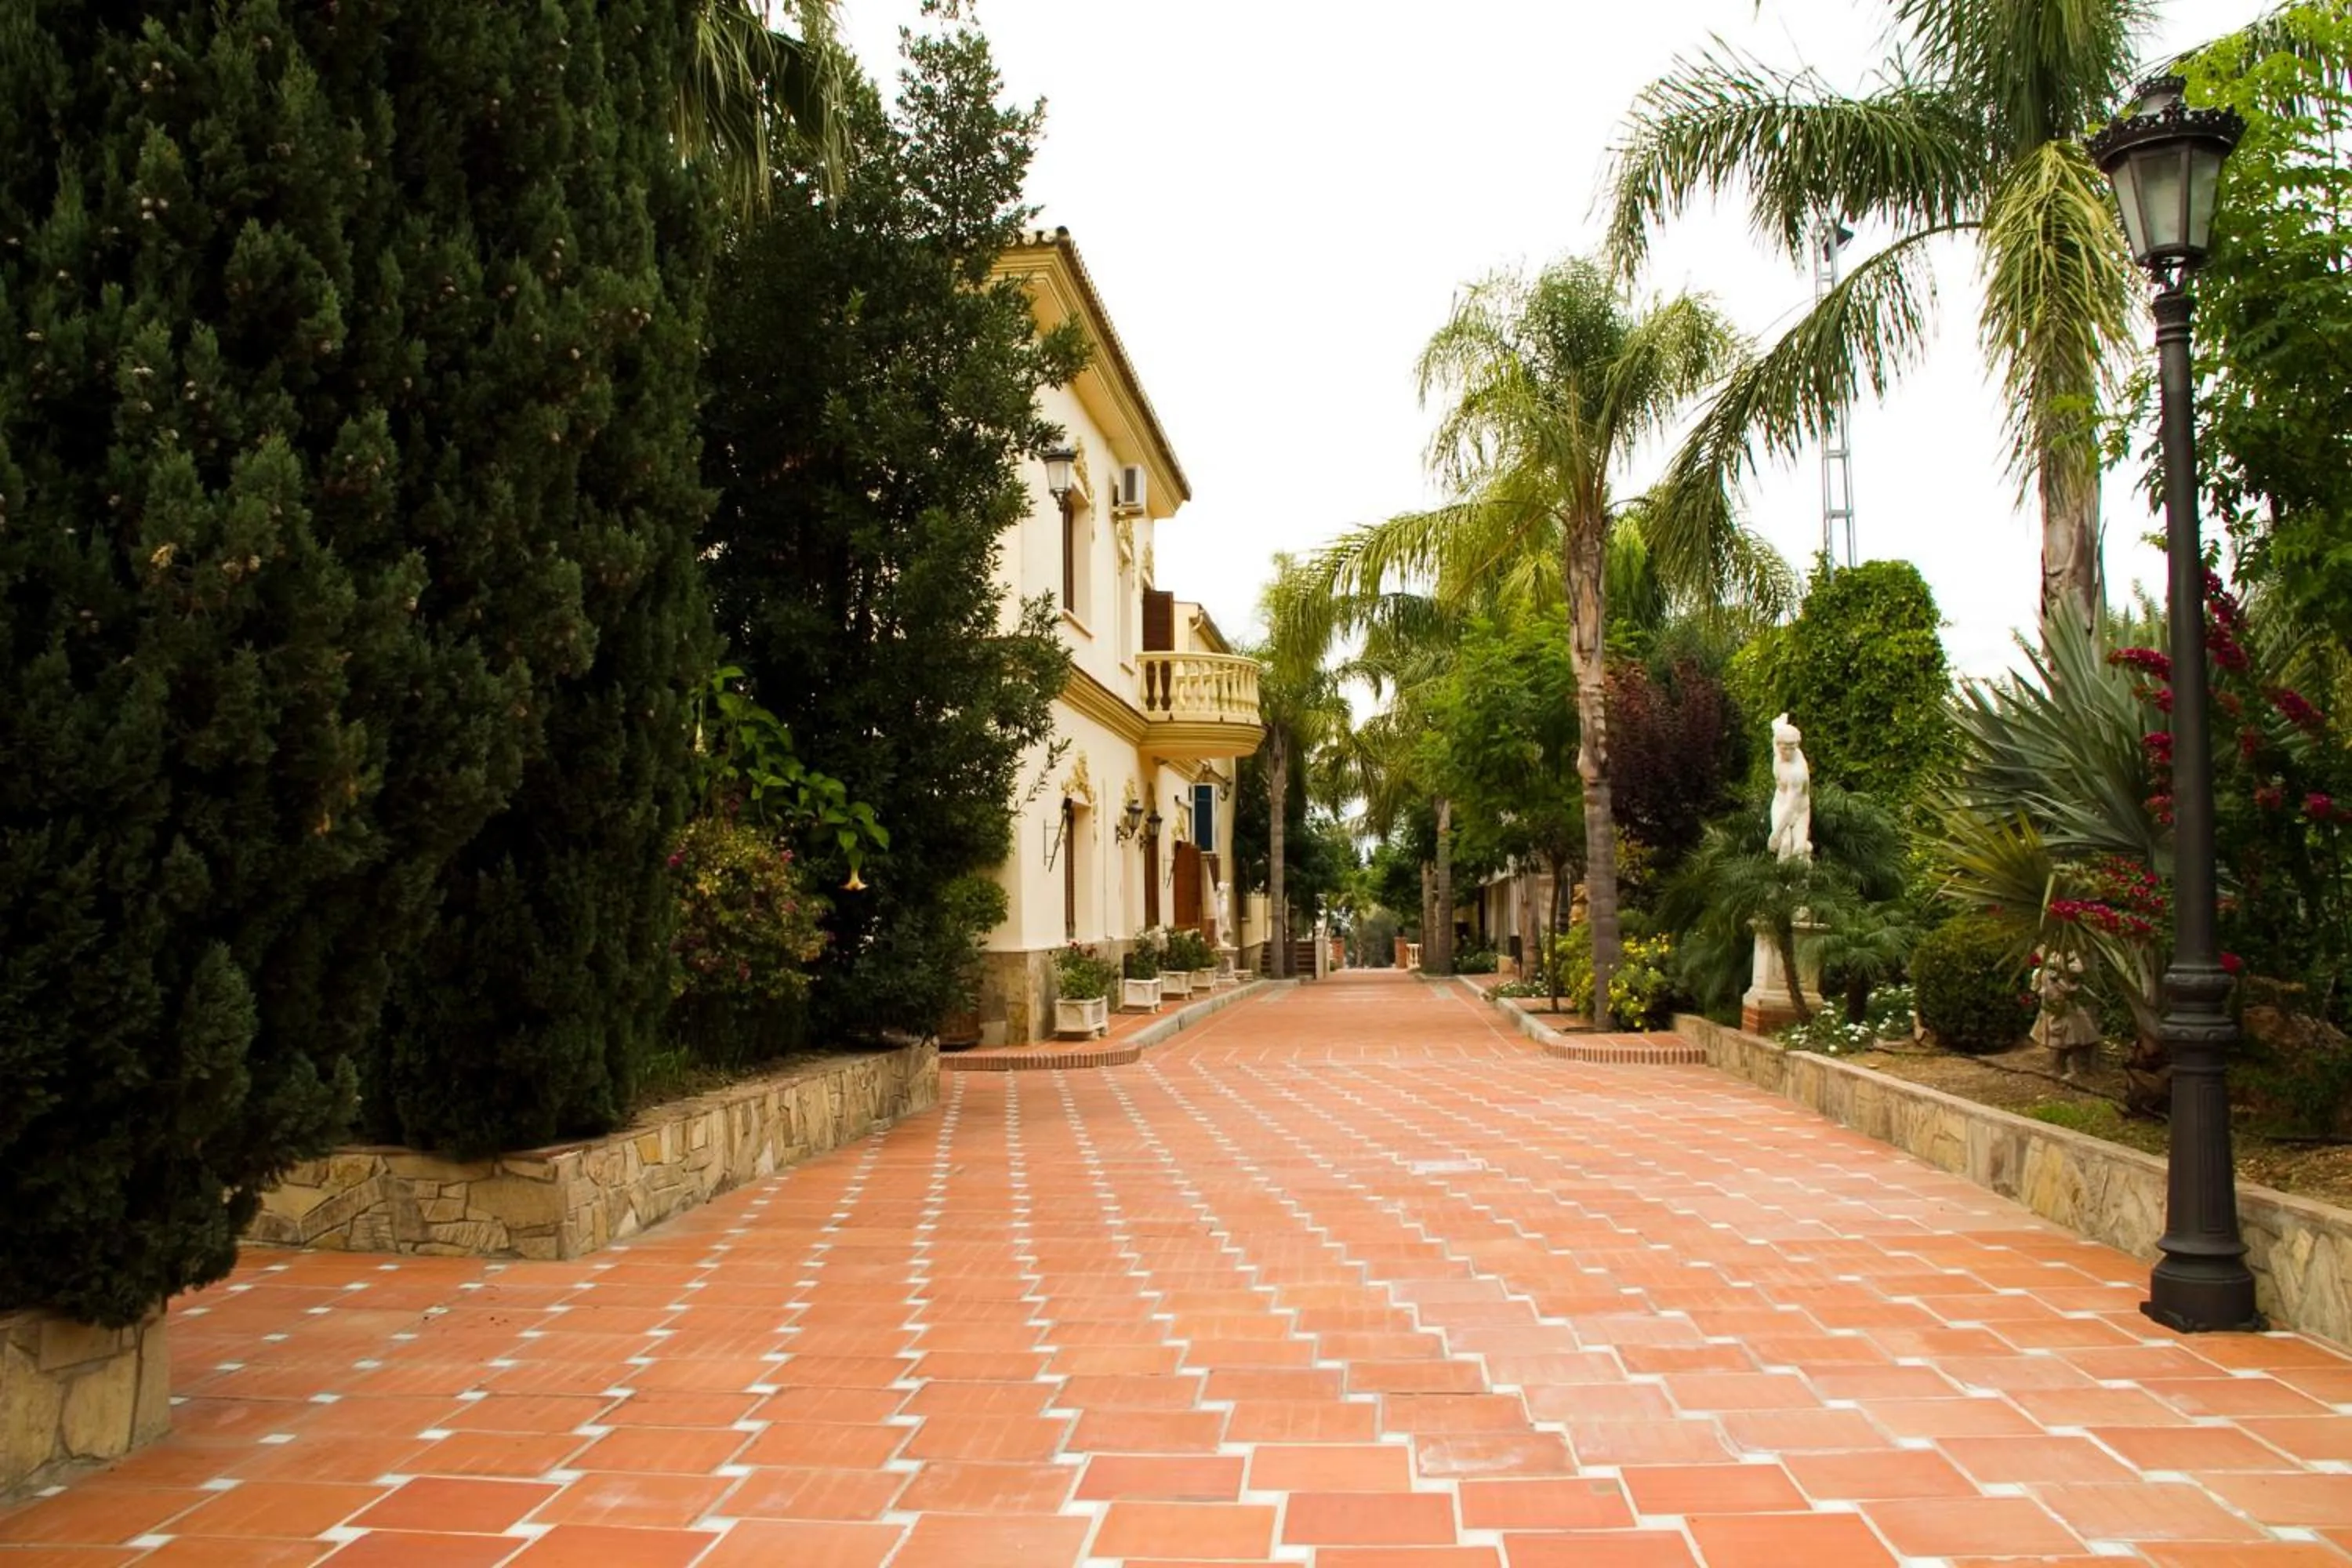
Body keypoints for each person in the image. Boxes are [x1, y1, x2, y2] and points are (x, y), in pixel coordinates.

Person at [1766, 713, 1813, 863]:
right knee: (1785, 845)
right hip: (1780, 802)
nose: (1788, 751)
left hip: (1799, 809)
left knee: (1798, 850)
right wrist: (1781, 722)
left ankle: (1801, 882)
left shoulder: (1797, 772)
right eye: (1784, 748)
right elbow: (1777, 729)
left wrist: (1775, 835)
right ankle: (1782, 880)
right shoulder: (1778, 750)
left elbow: (1791, 807)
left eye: (1792, 748)